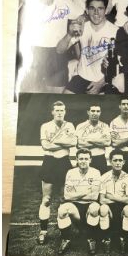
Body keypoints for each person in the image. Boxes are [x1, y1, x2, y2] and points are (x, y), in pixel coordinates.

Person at [18, 0, 83, 93]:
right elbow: (20, 28)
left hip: (57, 53)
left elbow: (82, 15)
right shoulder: (30, 3)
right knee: (32, 95)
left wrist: (78, 25)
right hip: (35, 52)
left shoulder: (65, 2)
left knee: (55, 96)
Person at [57, 0, 119, 94]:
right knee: (64, 103)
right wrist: (69, 34)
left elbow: (120, 64)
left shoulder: (115, 31)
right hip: (82, 76)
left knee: (100, 108)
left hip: (105, 80)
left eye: (100, 9)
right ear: (86, 10)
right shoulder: (82, 28)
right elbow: (59, 50)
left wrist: (101, 83)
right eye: (92, 8)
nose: (96, 13)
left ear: (106, 10)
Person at [37, 101, 77, 245]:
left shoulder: (70, 125)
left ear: (65, 111)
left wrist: (56, 143)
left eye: (62, 110)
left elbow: (73, 143)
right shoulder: (45, 126)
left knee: (63, 199)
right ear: (52, 112)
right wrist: (63, 142)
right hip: (49, 162)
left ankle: (64, 231)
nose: (60, 112)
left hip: (64, 162)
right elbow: (45, 145)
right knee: (46, 199)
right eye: (57, 110)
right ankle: (43, 232)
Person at [57, 149, 102, 255]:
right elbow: (67, 195)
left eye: (86, 158)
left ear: (90, 160)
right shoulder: (71, 173)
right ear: (76, 159)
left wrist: (76, 194)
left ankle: (91, 239)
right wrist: (86, 191)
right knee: (62, 209)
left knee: (95, 208)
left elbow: (94, 196)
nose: (83, 161)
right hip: (75, 207)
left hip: (90, 205)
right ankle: (66, 240)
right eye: (81, 158)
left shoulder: (96, 172)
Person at [98, 149, 128, 255]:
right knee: (103, 208)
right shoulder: (104, 177)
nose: (118, 163)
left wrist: (111, 196)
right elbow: (101, 199)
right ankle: (106, 239)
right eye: (115, 160)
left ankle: (124, 239)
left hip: (122, 207)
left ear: (124, 162)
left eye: (120, 160)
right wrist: (118, 198)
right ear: (110, 161)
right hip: (109, 207)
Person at [75, 104, 111, 174]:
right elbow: (79, 144)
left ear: (100, 113)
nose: (95, 113)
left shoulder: (105, 126)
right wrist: (99, 141)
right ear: (88, 112)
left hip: (100, 158)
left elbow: (107, 143)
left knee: (101, 181)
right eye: (93, 111)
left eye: (97, 111)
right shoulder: (80, 126)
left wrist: (88, 140)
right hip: (84, 158)